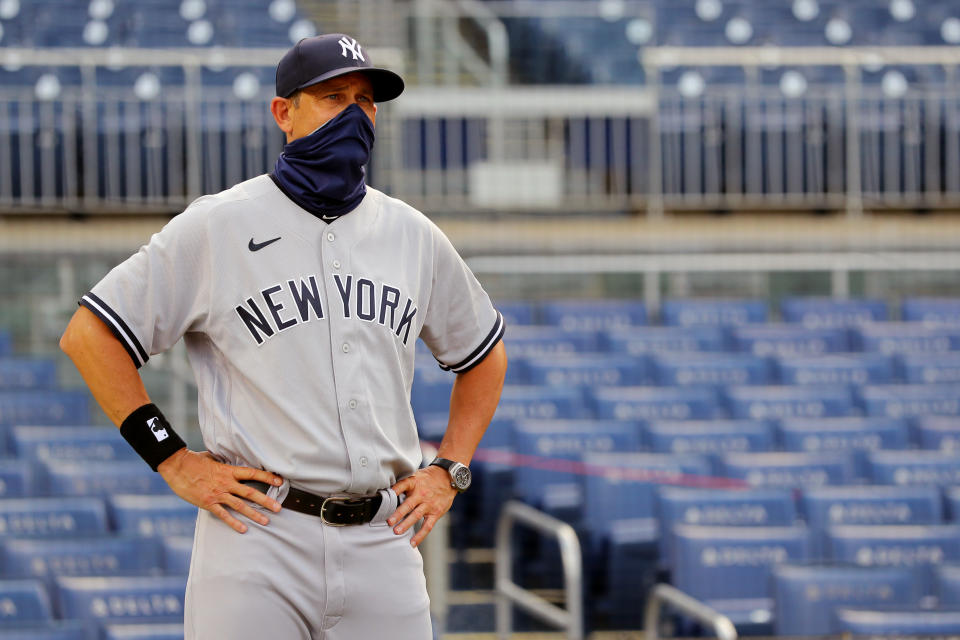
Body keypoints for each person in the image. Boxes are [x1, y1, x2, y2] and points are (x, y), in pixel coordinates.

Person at [60, 32, 507, 639]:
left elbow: (483, 353)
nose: (354, 114)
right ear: (284, 112)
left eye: (366, 100)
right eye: (332, 97)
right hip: (259, 535)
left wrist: (449, 468)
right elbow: (91, 336)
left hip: (384, 537)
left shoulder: (413, 234)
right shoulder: (219, 224)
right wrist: (171, 458)